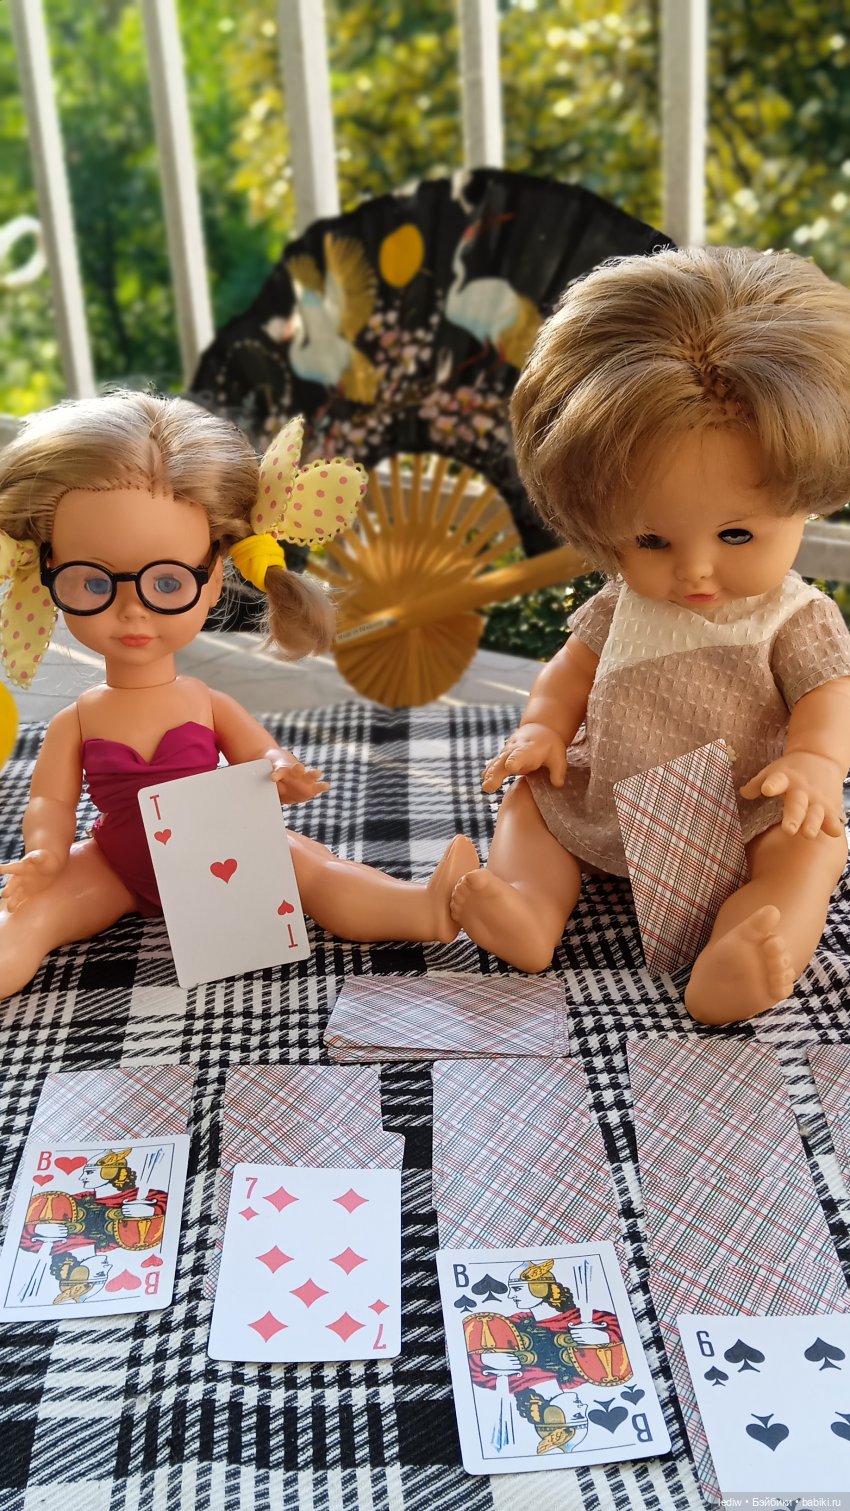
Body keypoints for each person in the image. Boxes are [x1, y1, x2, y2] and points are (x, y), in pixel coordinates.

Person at [450, 246, 850, 1024]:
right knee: (534, 802)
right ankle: (528, 903)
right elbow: (569, 671)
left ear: (806, 500)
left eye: (737, 534)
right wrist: (543, 729)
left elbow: (828, 697)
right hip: (613, 791)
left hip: (747, 804)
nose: (695, 569)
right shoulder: (621, 604)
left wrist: (814, 762)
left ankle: (747, 946)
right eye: (651, 541)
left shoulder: (793, 617)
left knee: (811, 847)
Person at [0, 391, 478, 998]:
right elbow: (49, 801)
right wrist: (45, 854)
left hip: (218, 843)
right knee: (28, 912)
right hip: (115, 863)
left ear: (211, 578)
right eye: (92, 582)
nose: (131, 609)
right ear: (47, 571)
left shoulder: (207, 702)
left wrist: (281, 771)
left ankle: (422, 908)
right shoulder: (76, 721)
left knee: (314, 868)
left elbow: (260, 754)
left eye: (166, 582)